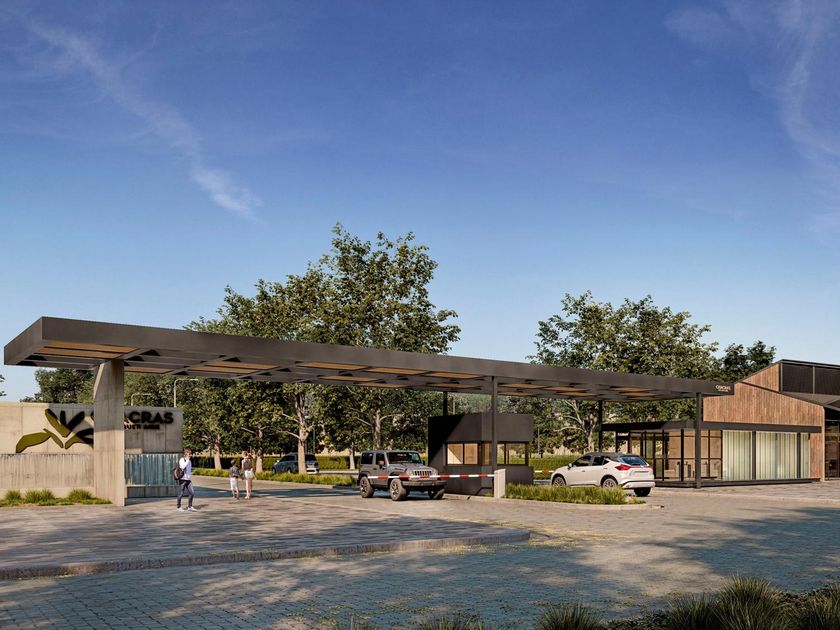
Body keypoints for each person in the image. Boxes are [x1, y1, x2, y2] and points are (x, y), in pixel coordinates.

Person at [176, 448, 196, 512]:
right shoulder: (182, 460)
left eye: (190, 454)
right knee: (180, 493)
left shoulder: (189, 461)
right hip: (182, 479)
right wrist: (187, 460)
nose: (190, 455)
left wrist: (189, 477)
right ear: (186, 454)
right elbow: (182, 467)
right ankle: (178, 507)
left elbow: (189, 470)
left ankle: (190, 506)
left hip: (188, 480)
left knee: (192, 492)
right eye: (189, 454)